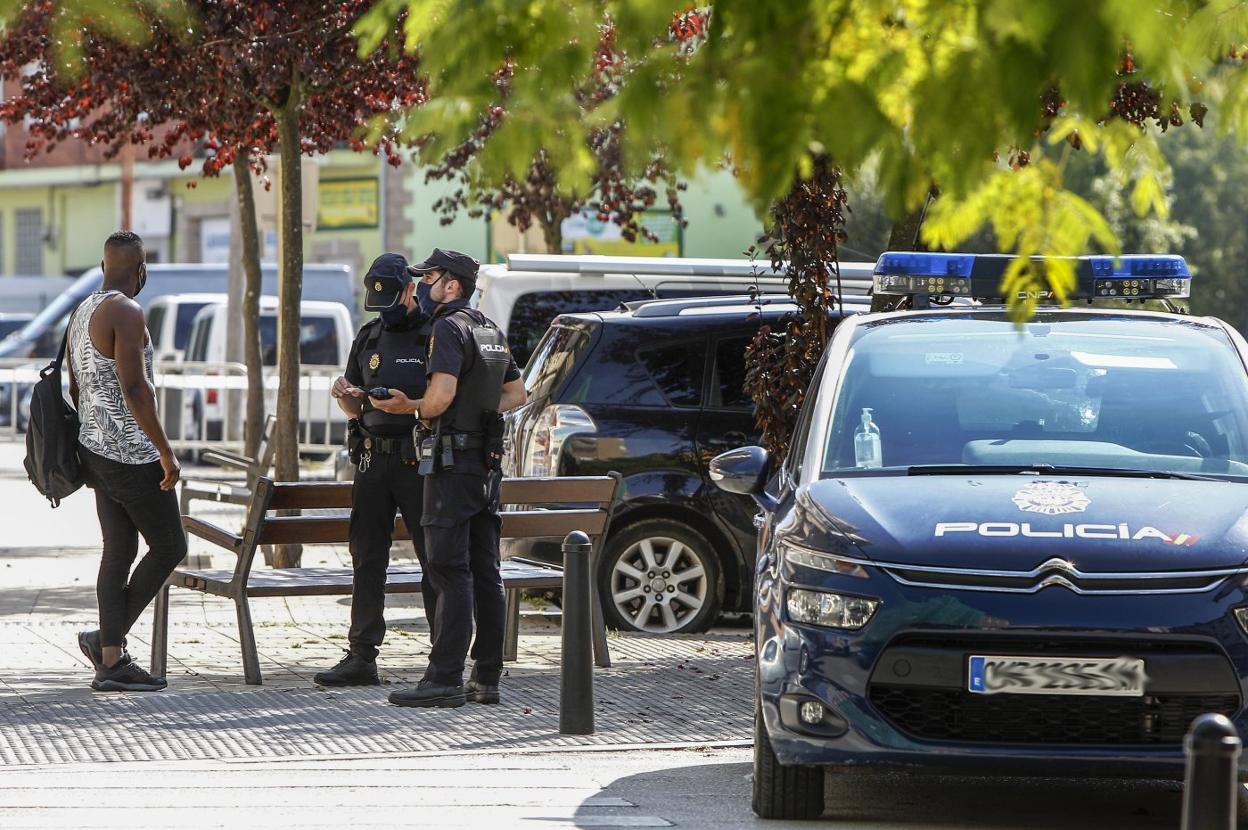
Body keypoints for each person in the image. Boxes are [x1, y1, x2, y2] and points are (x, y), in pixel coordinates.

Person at [385, 248, 528, 709]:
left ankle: (444, 677)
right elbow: (516, 393)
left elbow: (440, 397)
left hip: (451, 464)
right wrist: (478, 414)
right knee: (487, 570)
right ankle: (487, 676)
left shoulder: (447, 327)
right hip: (486, 465)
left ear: (452, 285)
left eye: (429, 278)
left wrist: (410, 407)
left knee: (448, 568)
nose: (422, 286)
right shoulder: (488, 330)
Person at [313, 253, 437, 687]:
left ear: (410, 289)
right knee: (367, 558)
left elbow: (446, 397)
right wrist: (345, 396)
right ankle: (362, 655)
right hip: (372, 459)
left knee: (434, 557)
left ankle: (445, 656)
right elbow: (355, 404)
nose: (386, 312)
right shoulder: (368, 336)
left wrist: (410, 406)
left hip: (418, 460)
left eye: (392, 300)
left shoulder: (435, 334)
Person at [68, 230, 184, 692]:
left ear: (102, 267)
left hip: (93, 449)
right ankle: (107, 643)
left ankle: (111, 656)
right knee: (171, 546)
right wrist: (165, 450)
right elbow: (136, 389)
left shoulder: (82, 312)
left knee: (119, 549)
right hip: (130, 453)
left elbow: (77, 388)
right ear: (142, 270)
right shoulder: (128, 311)